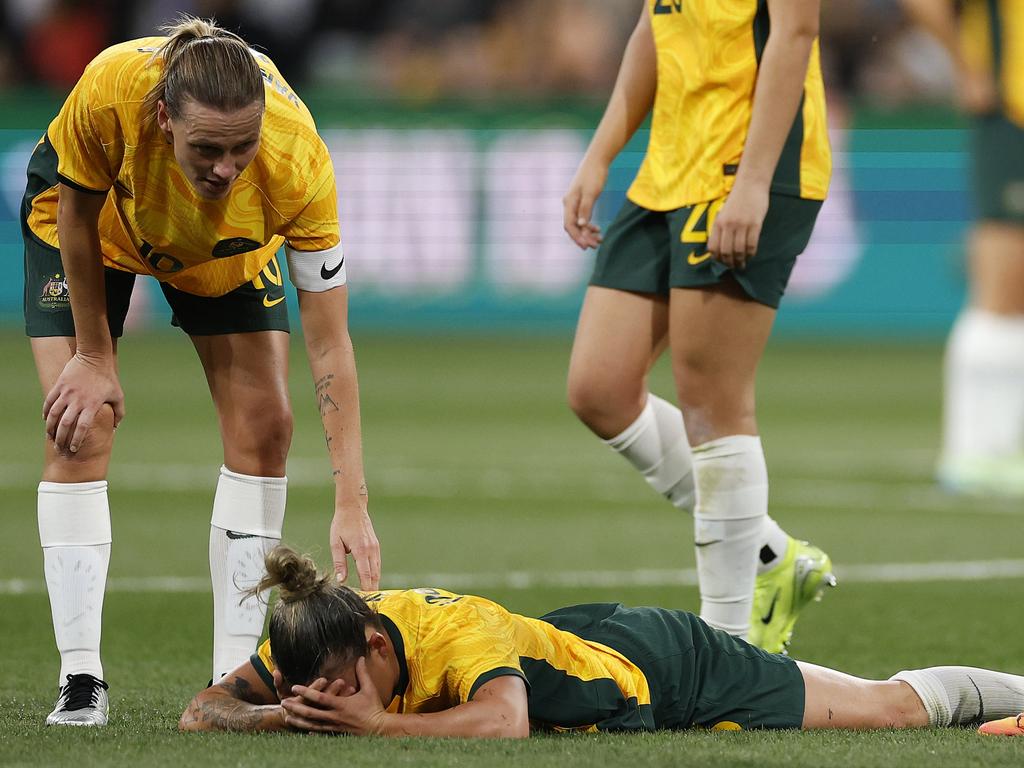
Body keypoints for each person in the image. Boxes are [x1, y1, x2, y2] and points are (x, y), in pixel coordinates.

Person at [22, 17, 381, 726]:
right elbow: (76, 213)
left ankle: (231, 676)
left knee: (267, 427)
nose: (225, 165)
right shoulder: (113, 91)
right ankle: (81, 679)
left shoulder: (297, 162)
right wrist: (96, 356)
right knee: (80, 427)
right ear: (163, 118)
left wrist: (351, 499)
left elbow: (331, 345)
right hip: (97, 230)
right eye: (207, 147)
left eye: (241, 146)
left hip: (222, 251)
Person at [561, 0, 833, 652]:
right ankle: (770, 554)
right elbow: (656, 27)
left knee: (713, 404)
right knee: (598, 389)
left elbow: (795, 31)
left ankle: (727, 648)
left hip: (746, 167)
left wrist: (754, 182)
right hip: (668, 169)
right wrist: (601, 153)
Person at [179, 545, 1024, 736]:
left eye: (339, 683)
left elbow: (504, 723)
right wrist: (267, 716)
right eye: (313, 689)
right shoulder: (311, 632)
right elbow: (201, 710)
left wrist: (378, 727)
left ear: (373, 644)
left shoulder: (452, 632)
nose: (335, 696)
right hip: (575, 642)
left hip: (669, 666)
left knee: (889, 710)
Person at [901, 0, 1024, 497]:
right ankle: (974, 453)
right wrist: (969, 68)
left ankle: (998, 446)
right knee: (1005, 281)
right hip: (1012, 114)